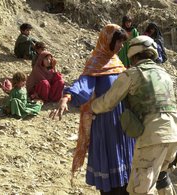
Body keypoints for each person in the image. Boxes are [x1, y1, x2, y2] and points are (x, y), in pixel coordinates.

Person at [89, 35, 177, 195]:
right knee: (162, 179)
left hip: (154, 135)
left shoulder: (132, 74)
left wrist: (91, 107)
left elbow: (107, 102)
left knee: (140, 188)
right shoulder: (164, 74)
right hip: (176, 133)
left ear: (132, 55)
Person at [50, 24, 135, 194]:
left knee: (127, 170)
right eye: (118, 41)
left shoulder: (117, 62)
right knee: (110, 171)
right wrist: (67, 96)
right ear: (107, 41)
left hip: (123, 121)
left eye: (122, 42)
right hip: (105, 122)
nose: (121, 46)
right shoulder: (95, 63)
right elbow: (83, 85)